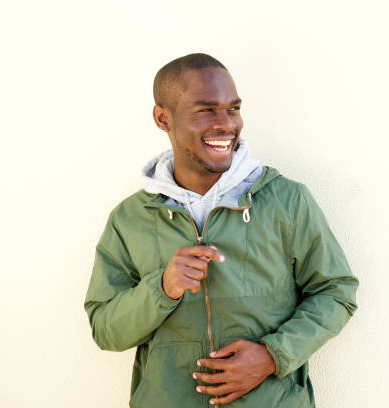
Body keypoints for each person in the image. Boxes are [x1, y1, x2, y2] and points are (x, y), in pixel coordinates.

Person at [84, 53, 358, 407]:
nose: (226, 124)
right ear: (162, 117)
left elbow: (336, 291)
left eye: (233, 109)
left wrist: (272, 355)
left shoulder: (285, 200)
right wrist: (162, 288)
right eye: (206, 110)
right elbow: (106, 329)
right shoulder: (130, 219)